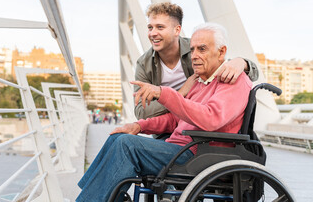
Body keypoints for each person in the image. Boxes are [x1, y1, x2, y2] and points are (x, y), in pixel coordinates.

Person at [76, 23, 252, 202]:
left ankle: (90, 199)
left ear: (221, 52)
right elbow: (174, 119)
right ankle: (95, 196)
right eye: (192, 50)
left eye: (202, 49)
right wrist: (139, 126)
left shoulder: (233, 80)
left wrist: (164, 93)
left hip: (200, 153)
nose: (195, 56)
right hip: (180, 148)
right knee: (118, 137)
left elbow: (210, 118)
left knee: (127, 145)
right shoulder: (199, 82)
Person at [134, 2, 258, 120]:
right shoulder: (143, 64)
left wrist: (242, 62)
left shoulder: (196, 48)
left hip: (197, 125)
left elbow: (250, 73)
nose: (153, 33)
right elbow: (141, 112)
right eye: (150, 28)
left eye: (160, 27)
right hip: (165, 128)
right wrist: (181, 93)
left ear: (177, 30)